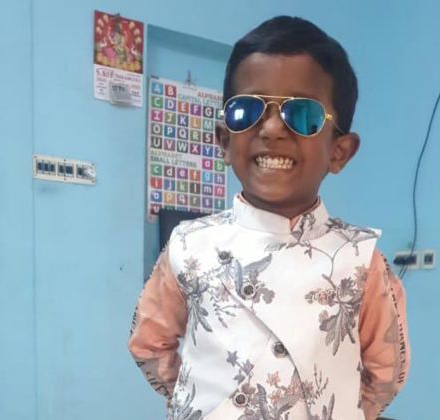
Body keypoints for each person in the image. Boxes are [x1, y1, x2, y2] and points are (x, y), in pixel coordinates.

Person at [129, 15, 410, 420]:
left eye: (304, 114)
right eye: (247, 111)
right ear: (225, 141)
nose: (273, 128)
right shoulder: (189, 245)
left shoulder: (362, 262)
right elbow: (149, 344)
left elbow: (385, 375)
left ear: (339, 152)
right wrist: (200, 404)